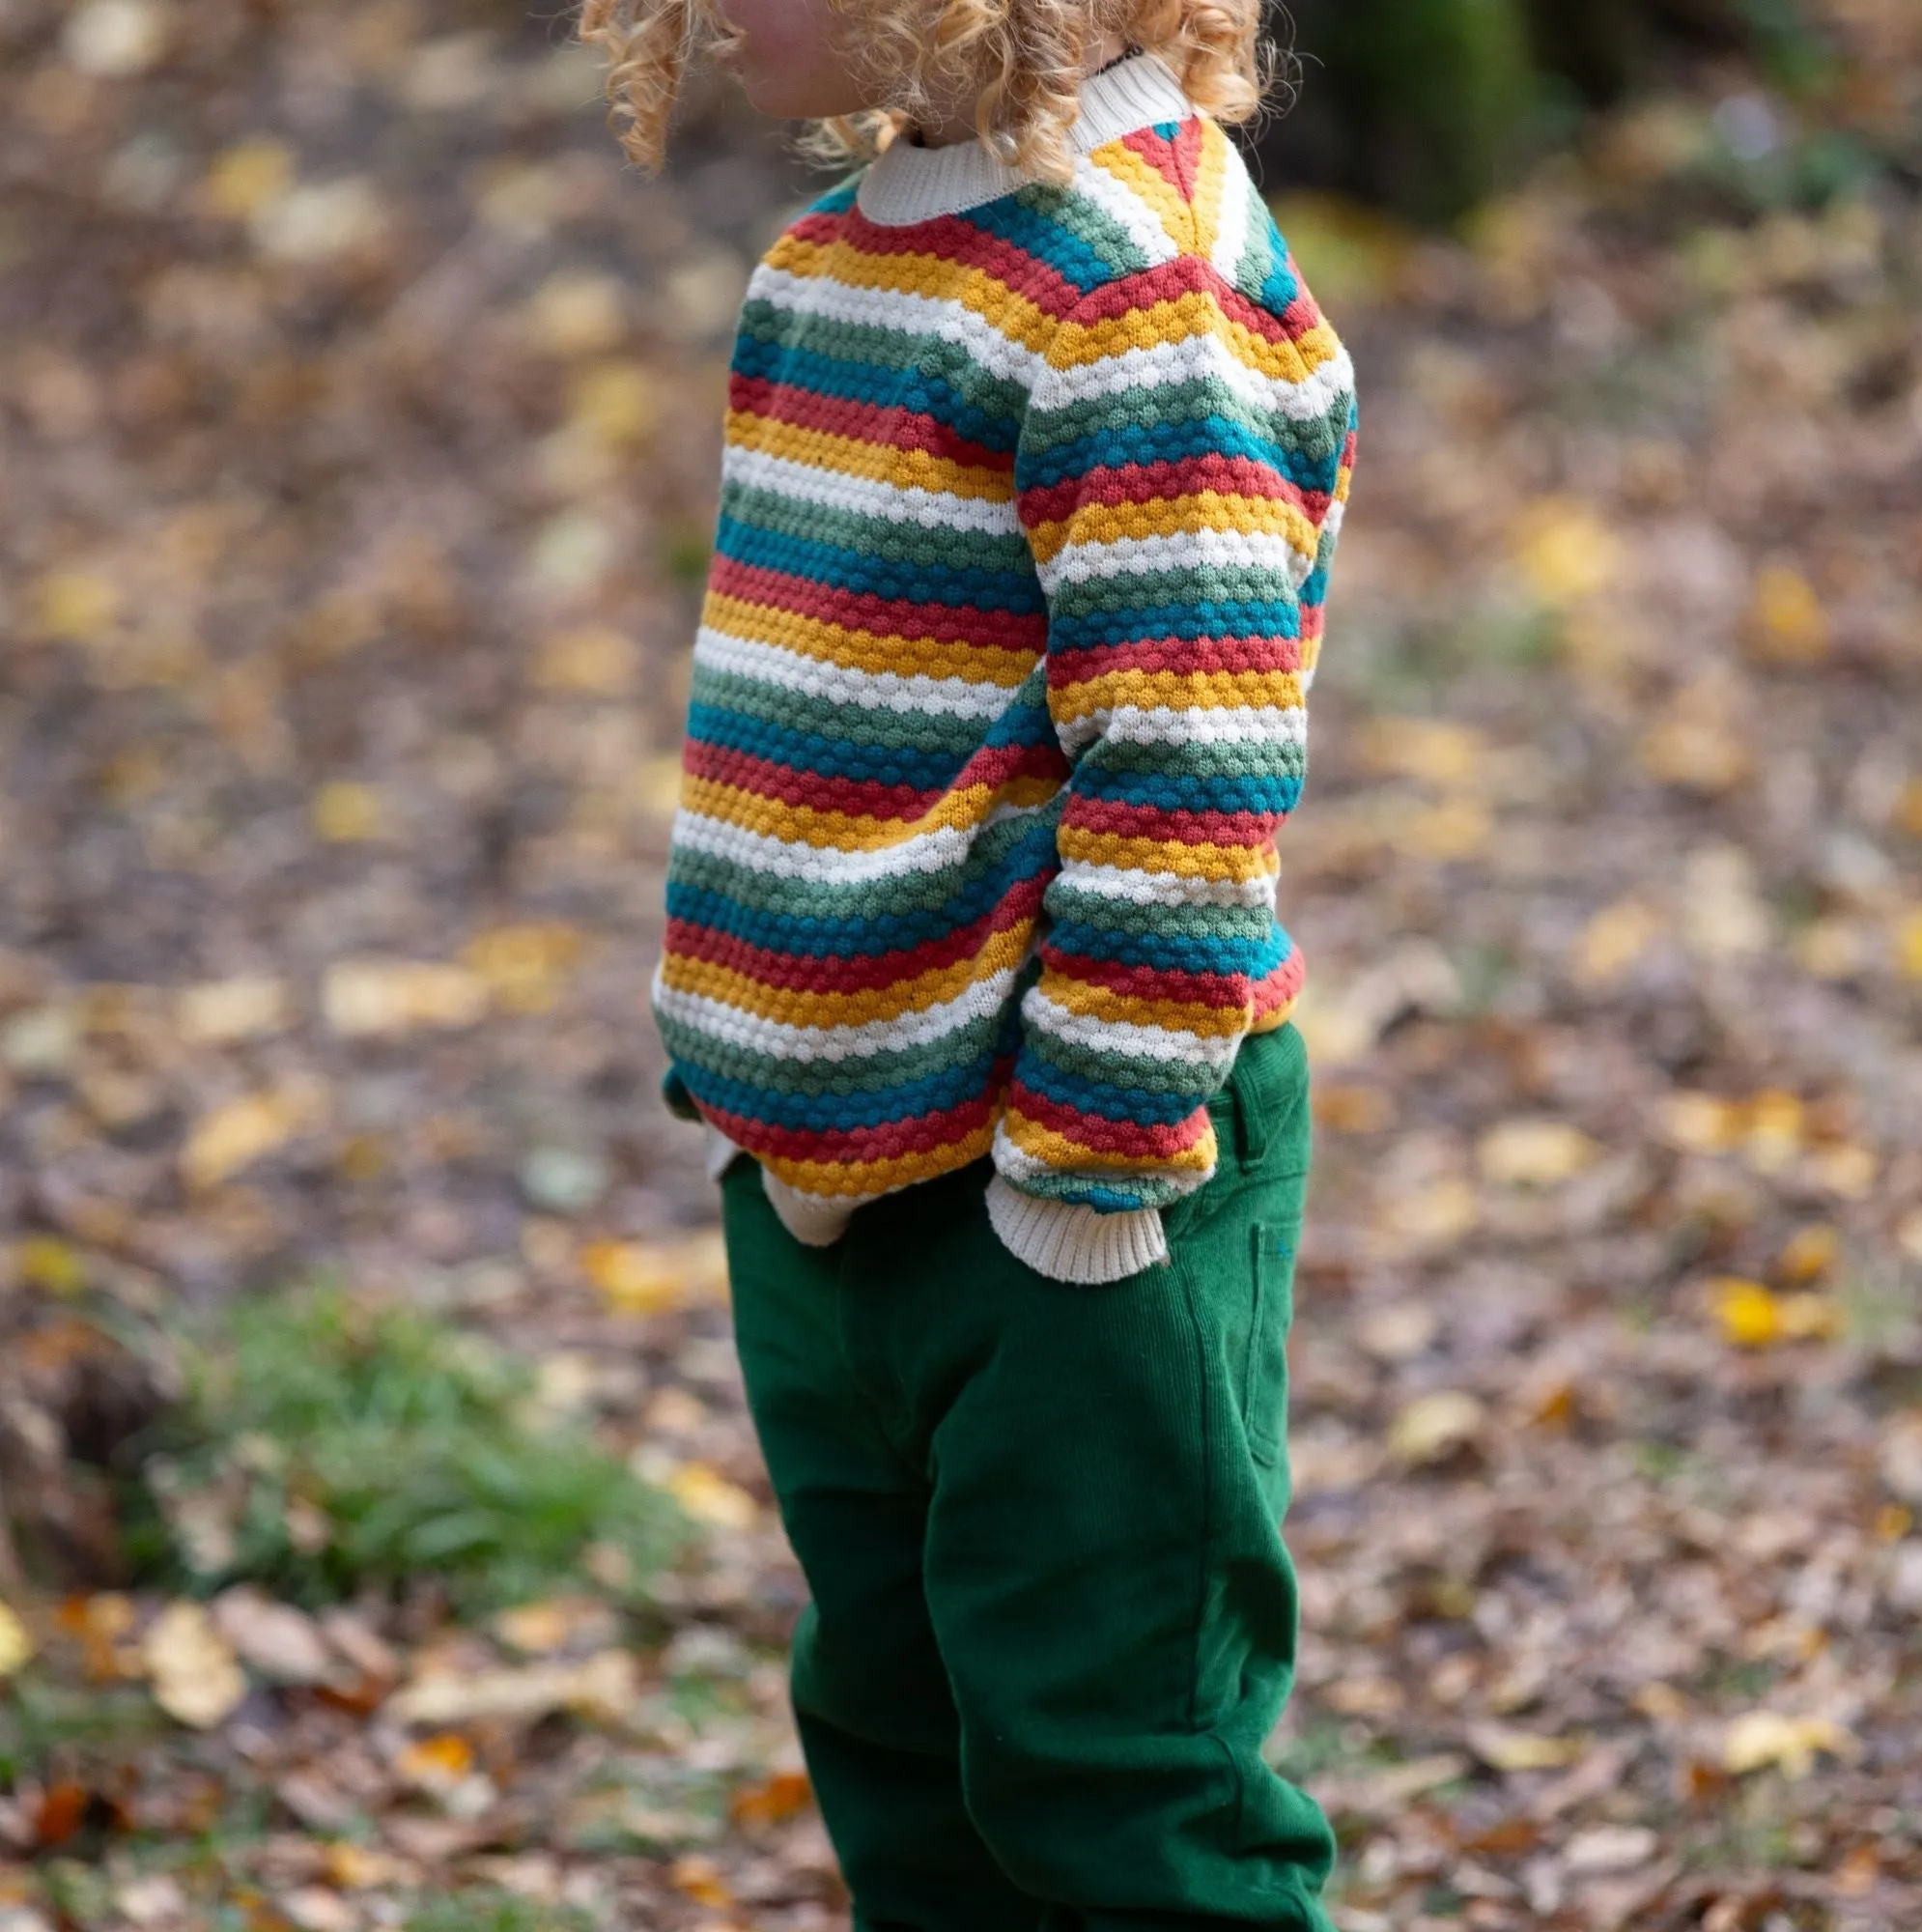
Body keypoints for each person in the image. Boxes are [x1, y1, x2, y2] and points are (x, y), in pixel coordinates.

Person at [580, 0, 1357, 1922]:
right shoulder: (836, 261)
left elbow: (1187, 766)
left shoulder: (1125, 280)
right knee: (903, 1745)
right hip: (839, 1180)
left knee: (1120, 1785)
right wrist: (771, 1098)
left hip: (1079, 1184)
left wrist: (1083, 1183)